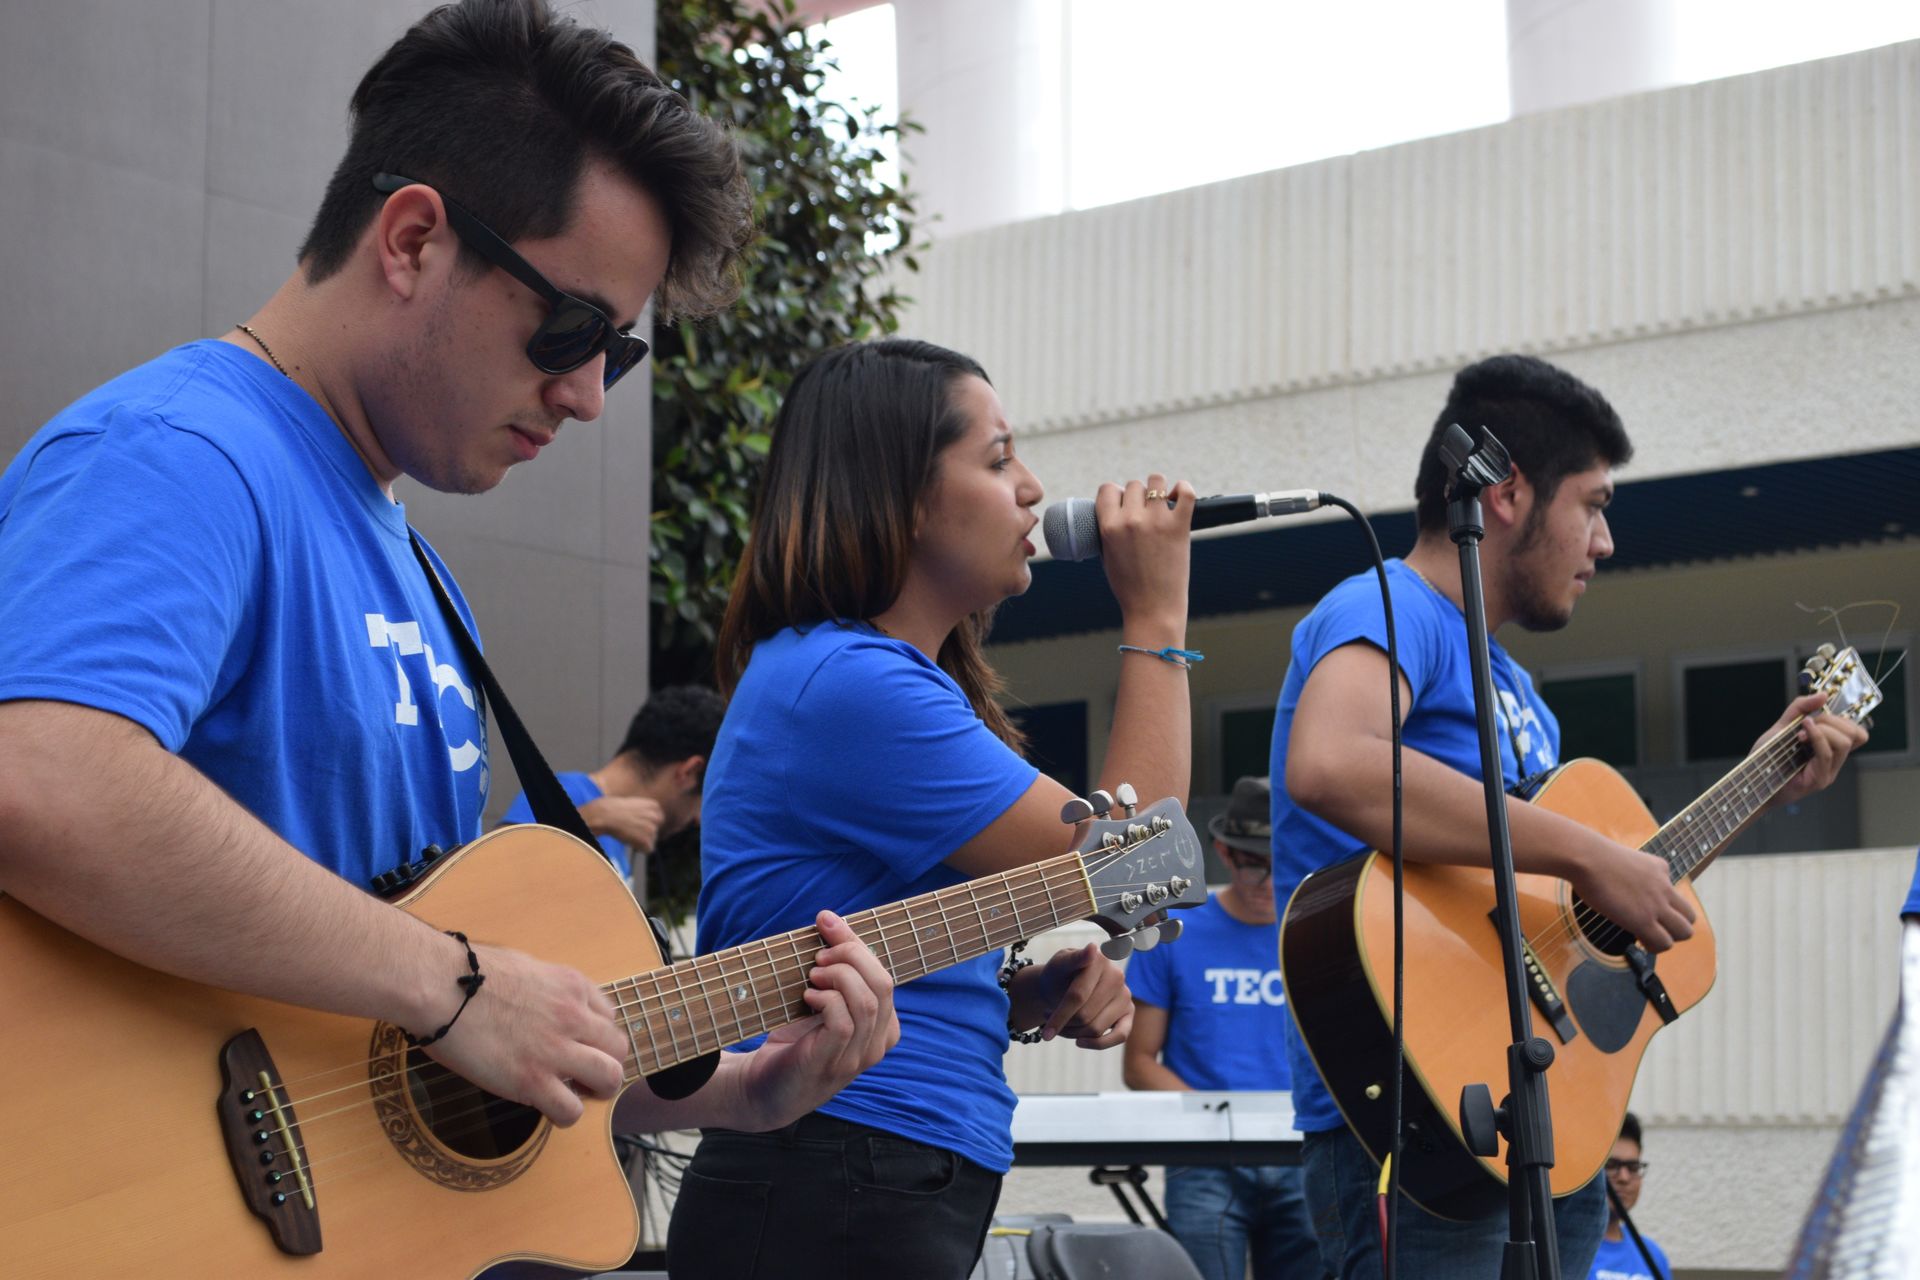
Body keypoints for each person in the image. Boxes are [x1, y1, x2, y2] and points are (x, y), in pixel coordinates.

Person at [0, 0, 895, 1159]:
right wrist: (453, 980)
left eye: (615, 352)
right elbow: (43, 774)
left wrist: (741, 1093)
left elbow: (405, 1064)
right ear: (414, 239)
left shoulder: (421, 576)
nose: (587, 395)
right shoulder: (182, 453)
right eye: (572, 327)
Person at [1270, 354, 1868, 1278]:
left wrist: (1763, 782)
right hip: (1416, 1115)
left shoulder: (1516, 689)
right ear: (1508, 494)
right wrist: (1594, 857)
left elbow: (1559, 899)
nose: (1605, 542)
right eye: (1593, 505)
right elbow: (1333, 763)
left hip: (1547, 1113)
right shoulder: (1389, 606)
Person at [664, 338, 1197, 1280]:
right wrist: (1155, 621)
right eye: (997, 460)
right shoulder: (849, 683)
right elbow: (1141, 857)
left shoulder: (872, 679)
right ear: (900, 499)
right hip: (838, 1164)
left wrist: (1027, 997)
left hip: (865, 1168)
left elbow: (870, 942)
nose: (1032, 488)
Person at [1121, 774, 1324, 1280]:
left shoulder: (1322, 935)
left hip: (1302, 1150)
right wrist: (1215, 1118)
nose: (1269, 886)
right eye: (1256, 868)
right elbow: (1140, 1064)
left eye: (1283, 869)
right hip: (1204, 1157)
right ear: (1225, 854)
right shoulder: (1174, 932)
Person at [500, 684, 726, 880]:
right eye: (703, 800)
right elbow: (486, 865)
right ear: (688, 772)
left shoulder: (617, 834)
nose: (698, 819)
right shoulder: (567, 794)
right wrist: (593, 819)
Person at [1588, 1113, 1670, 1280]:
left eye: (1633, 1167)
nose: (1624, 1177)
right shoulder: (1563, 1248)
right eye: (1611, 1165)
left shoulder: (1653, 1256)